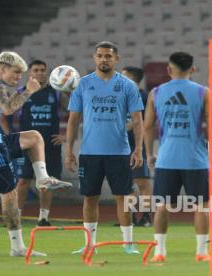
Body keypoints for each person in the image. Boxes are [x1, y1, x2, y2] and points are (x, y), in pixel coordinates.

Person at [0, 51, 72, 257]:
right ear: (2, 68)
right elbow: (7, 109)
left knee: (34, 137)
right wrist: (29, 91)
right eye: (15, 73)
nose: (18, 78)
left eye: (21, 75)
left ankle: (42, 178)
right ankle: (17, 247)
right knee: (10, 195)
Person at [65, 41, 144, 254]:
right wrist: (69, 150)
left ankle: (128, 244)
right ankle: (90, 244)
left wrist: (138, 149)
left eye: (108, 56)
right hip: (90, 152)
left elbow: (137, 120)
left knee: (124, 198)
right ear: (94, 58)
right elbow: (73, 120)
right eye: (100, 56)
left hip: (119, 152)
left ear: (116, 59)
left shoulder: (128, 86)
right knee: (90, 198)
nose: (104, 59)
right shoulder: (82, 84)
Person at [144, 52, 210, 263]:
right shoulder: (204, 93)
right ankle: (201, 252)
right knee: (200, 207)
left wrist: (149, 154)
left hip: (167, 158)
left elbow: (148, 127)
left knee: (162, 206)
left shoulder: (155, 93)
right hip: (196, 159)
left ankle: (159, 252)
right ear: (193, 69)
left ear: (169, 69)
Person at [7, 60, 70, 227]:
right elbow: (4, 113)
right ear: (30, 74)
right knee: (22, 182)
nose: (40, 73)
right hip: (24, 145)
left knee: (46, 182)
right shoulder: (21, 92)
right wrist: (9, 135)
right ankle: (17, 217)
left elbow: (75, 113)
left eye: (43, 70)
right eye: (36, 70)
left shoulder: (56, 93)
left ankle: (43, 218)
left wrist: (65, 135)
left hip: (50, 145)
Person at [121, 66, 152, 227]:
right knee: (127, 184)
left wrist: (131, 125)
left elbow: (147, 121)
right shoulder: (119, 94)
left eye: (124, 76)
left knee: (142, 182)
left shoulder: (144, 96)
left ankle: (146, 216)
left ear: (133, 79)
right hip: (120, 146)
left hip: (138, 146)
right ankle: (131, 217)